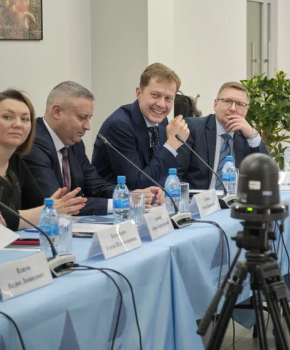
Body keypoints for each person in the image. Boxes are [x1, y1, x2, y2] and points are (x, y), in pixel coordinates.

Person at [24, 82, 165, 216]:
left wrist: (131, 195)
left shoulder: (74, 143)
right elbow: (59, 204)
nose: (88, 126)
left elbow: (96, 186)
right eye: (82, 118)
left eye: (89, 118)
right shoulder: (33, 144)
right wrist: (121, 203)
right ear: (57, 112)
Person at [92, 63, 190, 189]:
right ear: (139, 93)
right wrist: (171, 145)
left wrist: (162, 191)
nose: (161, 104)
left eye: (168, 98)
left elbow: (162, 172)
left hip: (149, 200)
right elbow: (137, 185)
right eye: (155, 95)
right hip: (116, 200)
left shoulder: (162, 122)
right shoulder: (119, 125)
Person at [0, 89, 86, 231]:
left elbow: (37, 205)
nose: (18, 124)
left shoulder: (16, 162)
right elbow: (5, 220)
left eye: (25, 119)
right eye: (7, 117)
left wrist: (55, 207)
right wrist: (45, 211)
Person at [177, 82, 269, 189]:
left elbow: (267, 174)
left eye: (240, 104)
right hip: (199, 198)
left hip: (235, 198)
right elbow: (175, 175)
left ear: (246, 110)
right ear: (215, 104)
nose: (233, 108)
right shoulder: (193, 128)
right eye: (228, 101)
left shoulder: (247, 136)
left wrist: (251, 135)